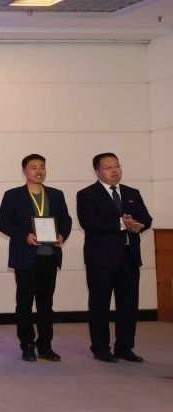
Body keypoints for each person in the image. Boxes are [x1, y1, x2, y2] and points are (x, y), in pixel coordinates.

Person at [75, 153, 152, 363]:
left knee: (128, 305)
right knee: (100, 305)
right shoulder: (87, 194)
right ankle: (100, 348)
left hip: (129, 257)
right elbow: (88, 222)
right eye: (108, 167)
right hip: (101, 259)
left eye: (117, 166)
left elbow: (146, 218)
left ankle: (124, 347)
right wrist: (121, 224)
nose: (114, 170)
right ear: (97, 171)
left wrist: (138, 225)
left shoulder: (131, 192)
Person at [0, 154, 72, 362]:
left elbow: (66, 220)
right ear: (24, 171)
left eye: (42, 167)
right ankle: (27, 344)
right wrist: (24, 236)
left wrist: (62, 235)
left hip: (50, 256)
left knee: (46, 304)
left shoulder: (56, 194)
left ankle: (45, 345)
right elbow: (2, 223)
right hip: (25, 257)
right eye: (34, 167)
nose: (39, 171)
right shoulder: (13, 195)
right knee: (25, 303)